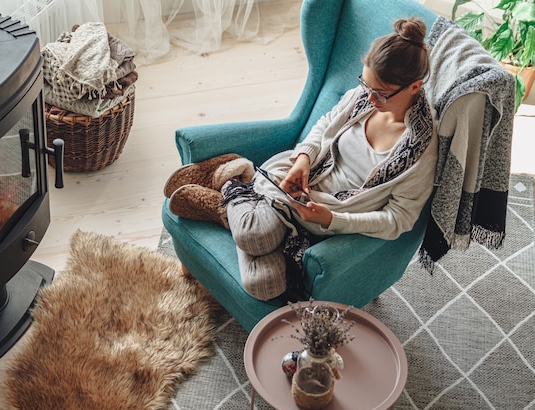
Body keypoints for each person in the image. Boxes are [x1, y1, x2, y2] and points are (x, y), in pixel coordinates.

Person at [166, 17, 438, 301]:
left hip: (326, 215)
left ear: (414, 87)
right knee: (255, 236)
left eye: (379, 94)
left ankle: (230, 197)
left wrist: (334, 219)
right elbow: (324, 125)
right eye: (365, 84)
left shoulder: (419, 150)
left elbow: (399, 219)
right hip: (298, 187)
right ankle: (233, 178)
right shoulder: (362, 96)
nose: (369, 98)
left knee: (265, 287)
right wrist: (303, 160)